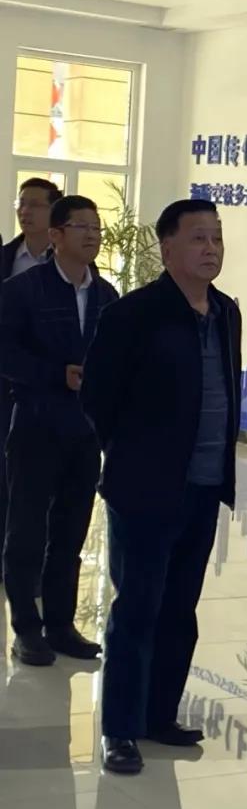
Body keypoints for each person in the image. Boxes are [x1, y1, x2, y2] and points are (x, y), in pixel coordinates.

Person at [81, 199, 241, 774]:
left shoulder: (225, 311)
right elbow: (98, 398)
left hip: (204, 486)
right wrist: (133, 457)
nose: (211, 248)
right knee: (138, 610)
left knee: (179, 609)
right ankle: (120, 729)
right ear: (167, 247)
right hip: (145, 489)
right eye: (198, 238)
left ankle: (158, 715)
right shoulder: (134, 314)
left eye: (216, 238)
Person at [0, 194, 117, 666]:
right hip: (35, 425)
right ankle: (26, 628)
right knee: (26, 532)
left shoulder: (106, 294)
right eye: (81, 226)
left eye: (96, 227)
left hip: (84, 433)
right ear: (56, 235)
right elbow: (6, 353)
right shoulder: (23, 290)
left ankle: (61, 625)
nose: (92, 235)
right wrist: (55, 375)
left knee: (70, 533)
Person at [0, 178, 64, 568]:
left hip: (48, 391)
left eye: (34, 205)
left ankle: (36, 565)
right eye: (21, 204)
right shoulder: (6, 257)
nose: (25, 211)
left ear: (53, 212)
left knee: (40, 485)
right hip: (4, 384)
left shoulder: (70, 266)